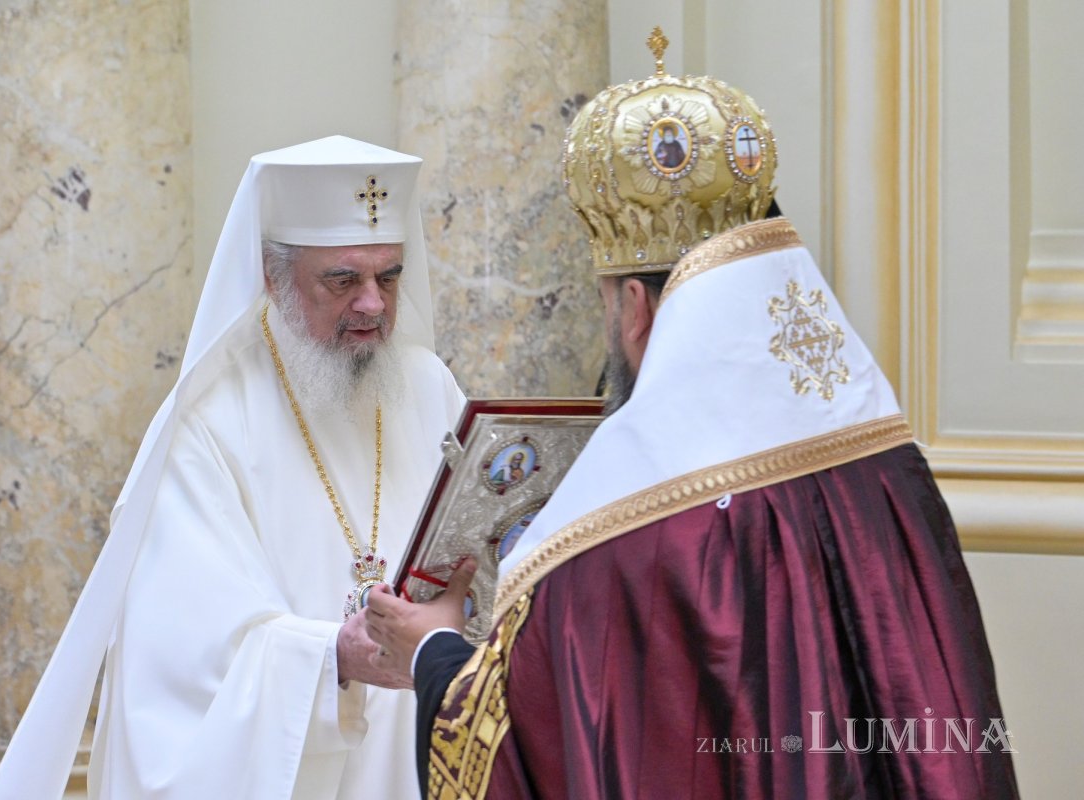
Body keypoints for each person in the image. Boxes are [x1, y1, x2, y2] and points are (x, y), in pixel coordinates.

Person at [365, 35, 1020, 800]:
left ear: (637, 308)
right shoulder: (882, 464)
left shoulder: (615, 541)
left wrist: (431, 653)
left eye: (607, 302)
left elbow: (518, 743)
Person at [0, 136, 465, 799]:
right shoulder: (209, 420)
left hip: (413, 756)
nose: (373, 305)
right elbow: (185, 662)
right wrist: (337, 657)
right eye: (343, 280)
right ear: (272, 276)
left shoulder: (427, 385)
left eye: (388, 277)